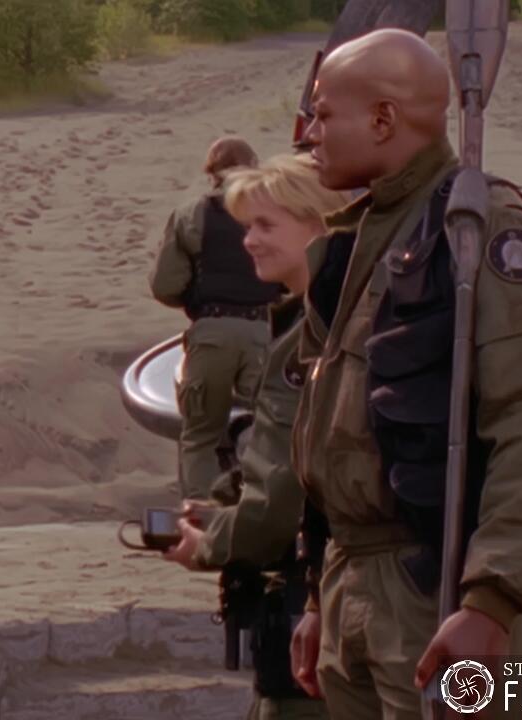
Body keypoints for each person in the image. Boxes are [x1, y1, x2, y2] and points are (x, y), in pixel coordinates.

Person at [286, 29, 522, 719]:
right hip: (352, 585)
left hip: (439, 589)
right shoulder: (354, 245)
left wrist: (492, 602)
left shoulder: (481, 235)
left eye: (323, 114)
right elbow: (327, 435)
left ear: (383, 119)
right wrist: (318, 594)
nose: (309, 134)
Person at [162, 154, 346, 720]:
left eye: (265, 225)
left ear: (317, 224)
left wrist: (210, 543)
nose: (249, 241)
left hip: (320, 612)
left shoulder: (312, 339)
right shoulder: (328, 321)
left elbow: (282, 501)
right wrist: (224, 506)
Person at [150, 136, 285, 501]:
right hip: (263, 333)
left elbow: (165, 285)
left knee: (200, 436)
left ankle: (201, 514)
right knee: (272, 428)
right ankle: (265, 507)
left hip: (211, 331)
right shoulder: (276, 211)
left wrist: (199, 298)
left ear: (211, 172)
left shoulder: (191, 214)